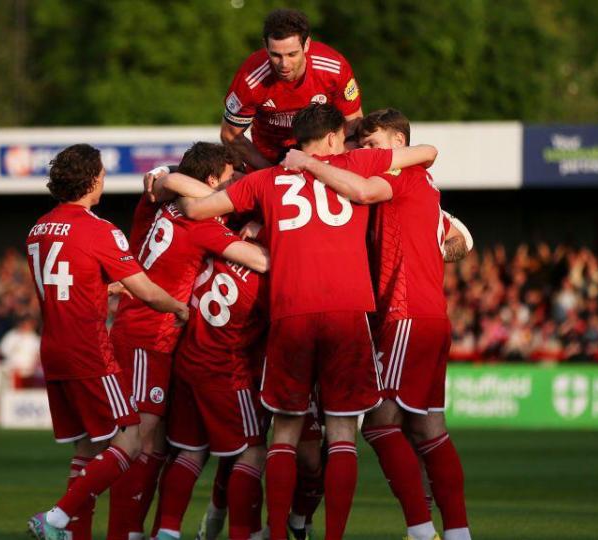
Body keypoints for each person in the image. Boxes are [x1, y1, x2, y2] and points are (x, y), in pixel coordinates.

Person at [179, 103, 438, 540]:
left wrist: (170, 180)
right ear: (336, 137)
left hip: (291, 312)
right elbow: (426, 152)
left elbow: (198, 211)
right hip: (347, 312)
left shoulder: (264, 180)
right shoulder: (356, 161)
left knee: (285, 432)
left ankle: (278, 533)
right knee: (341, 434)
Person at [287, 107, 472, 540]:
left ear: (398, 145)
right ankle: (458, 531)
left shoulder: (401, 175)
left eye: (374, 145)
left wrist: (309, 163)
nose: (368, 152)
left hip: (406, 313)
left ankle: (421, 530)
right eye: (362, 144)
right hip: (430, 316)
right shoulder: (425, 183)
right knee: (429, 428)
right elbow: (457, 236)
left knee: (381, 425)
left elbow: (364, 191)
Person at [107, 142, 271, 540]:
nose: (234, 188)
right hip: (153, 331)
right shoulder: (204, 225)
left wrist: (167, 175)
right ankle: (118, 530)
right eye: (230, 180)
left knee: (169, 447)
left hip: (165, 342)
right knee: (140, 442)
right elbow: (263, 262)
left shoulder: (154, 204)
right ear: (214, 180)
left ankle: (158, 531)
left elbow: (167, 181)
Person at [26, 144, 190, 540]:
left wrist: (102, 285)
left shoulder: (39, 228)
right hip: (89, 349)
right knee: (130, 440)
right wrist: (180, 309)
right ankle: (57, 517)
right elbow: (148, 292)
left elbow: (66, 277)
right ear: (93, 178)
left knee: (84, 449)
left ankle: (68, 531)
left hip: (54, 348)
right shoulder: (99, 229)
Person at [152, 253, 268, 540]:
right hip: (226, 372)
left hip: (188, 363)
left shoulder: (215, 253)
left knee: (191, 452)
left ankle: (167, 531)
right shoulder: (266, 269)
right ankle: (243, 534)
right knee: (252, 452)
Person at [221, 8, 363, 170]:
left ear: (307, 44)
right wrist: (271, 173)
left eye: (292, 54)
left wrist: (338, 166)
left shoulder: (334, 69)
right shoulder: (250, 79)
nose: (284, 64)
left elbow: (353, 123)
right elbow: (230, 134)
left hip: (325, 157)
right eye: (276, 55)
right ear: (265, 46)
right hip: (269, 158)